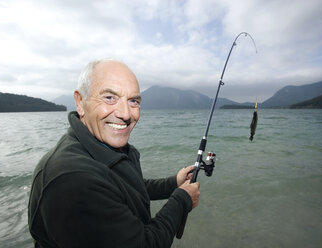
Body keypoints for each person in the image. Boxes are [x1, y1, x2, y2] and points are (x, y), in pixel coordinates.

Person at [28, 59, 200, 248]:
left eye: (133, 101)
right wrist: (182, 199)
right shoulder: (73, 179)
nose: (126, 114)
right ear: (80, 102)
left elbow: (125, 188)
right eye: (109, 97)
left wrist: (173, 183)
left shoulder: (102, 148)